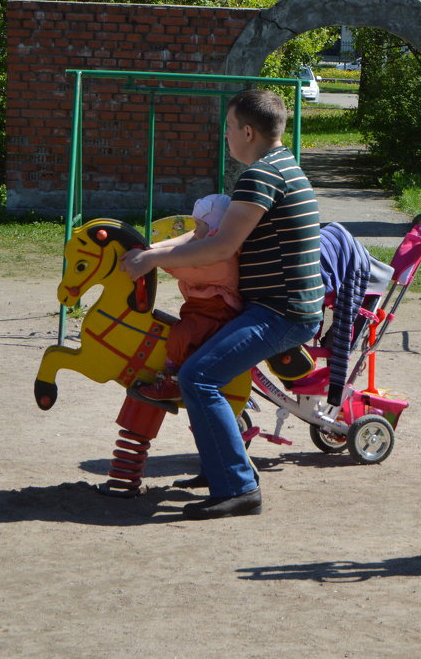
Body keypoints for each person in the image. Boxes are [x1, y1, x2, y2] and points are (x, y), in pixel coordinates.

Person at [121, 88, 324, 519]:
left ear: (248, 131)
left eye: (229, 128)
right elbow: (210, 239)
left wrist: (152, 258)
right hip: (286, 306)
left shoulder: (261, 176)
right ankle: (220, 468)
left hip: (281, 312)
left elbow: (219, 247)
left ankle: (238, 487)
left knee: (198, 378)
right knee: (202, 370)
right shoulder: (285, 167)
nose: (226, 136)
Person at [129, 194, 242, 410]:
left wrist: (155, 260)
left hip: (217, 310)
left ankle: (173, 384)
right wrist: (151, 250)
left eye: (201, 225)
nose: (196, 231)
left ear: (216, 228)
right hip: (202, 308)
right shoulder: (208, 238)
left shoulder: (220, 256)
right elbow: (188, 240)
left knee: (182, 336)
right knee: (180, 333)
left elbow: (188, 266)